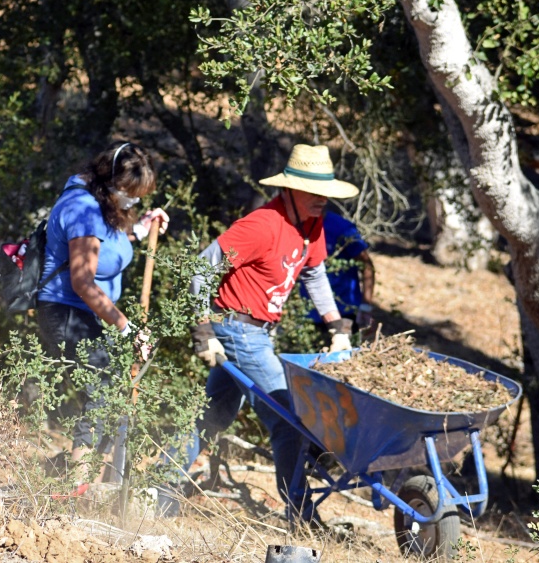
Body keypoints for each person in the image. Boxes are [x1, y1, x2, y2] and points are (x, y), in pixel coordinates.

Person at [189, 144, 358, 525]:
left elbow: (314, 274)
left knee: (213, 413)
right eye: (315, 193)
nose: (322, 201)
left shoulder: (312, 224)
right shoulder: (262, 225)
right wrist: (203, 328)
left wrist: (336, 326)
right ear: (290, 190)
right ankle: (300, 513)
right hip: (237, 328)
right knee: (289, 416)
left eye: (326, 194)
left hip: (259, 332)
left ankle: (159, 484)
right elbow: (200, 267)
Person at [36, 142, 169, 480]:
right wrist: (128, 329)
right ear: (107, 179)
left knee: (114, 392)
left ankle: (83, 475)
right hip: (67, 312)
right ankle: (77, 483)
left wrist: (141, 227)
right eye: (129, 193)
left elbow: (110, 243)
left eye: (138, 197)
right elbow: (83, 282)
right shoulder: (82, 209)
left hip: (90, 316)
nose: (133, 202)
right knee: (104, 391)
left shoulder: (102, 204)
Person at [301, 210, 376, 329]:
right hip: (306, 313)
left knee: (342, 345)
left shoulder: (342, 228)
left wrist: (366, 305)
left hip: (344, 311)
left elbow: (366, 265)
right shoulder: (297, 226)